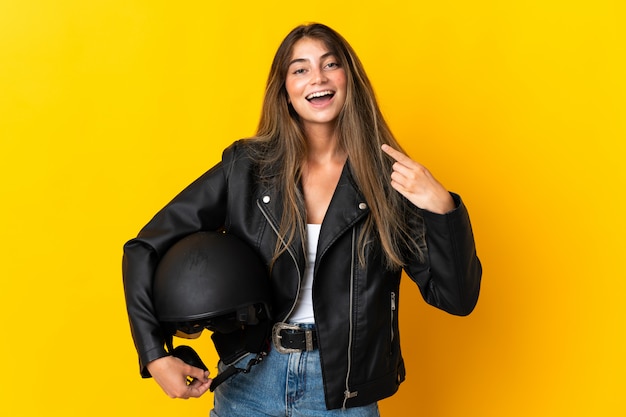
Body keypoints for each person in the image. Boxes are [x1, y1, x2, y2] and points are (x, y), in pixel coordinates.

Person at [123, 22, 482, 416]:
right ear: (285, 90)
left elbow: (457, 299)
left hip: (343, 395)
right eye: (301, 69)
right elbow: (144, 248)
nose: (318, 78)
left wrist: (443, 208)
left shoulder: (388, 179)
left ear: (349, 78)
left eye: (330, 64)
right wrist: (155, 355)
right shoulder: (245, 167)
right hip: (249, 382)